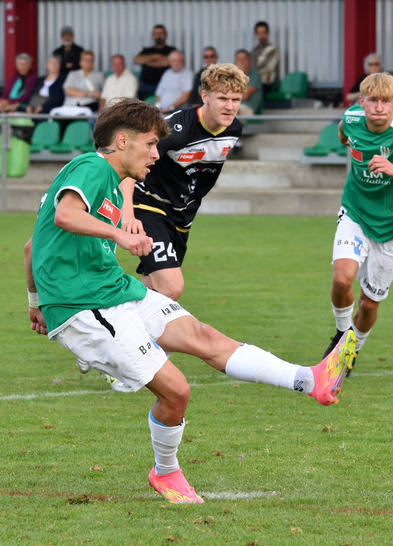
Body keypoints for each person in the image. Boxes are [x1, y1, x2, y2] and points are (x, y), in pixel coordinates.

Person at [24, 99, 357, 504]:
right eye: (149, 145)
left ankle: (311, 380)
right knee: (177, 392)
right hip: (85, 307)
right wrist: (121, 236)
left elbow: (31, 246)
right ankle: (165, 472)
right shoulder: (92, 167)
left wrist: (34, 302)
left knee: (204, 336)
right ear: (122, 140)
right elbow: (65, 216)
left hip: (115, 290)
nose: (155, 154)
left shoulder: (108, 179)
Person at [324, 72, 393, 357]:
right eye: (372, 100)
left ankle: (353, 350)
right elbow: (343, 131)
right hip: (356, 213)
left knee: (368, 304)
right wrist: (347, 142)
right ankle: (341, 336)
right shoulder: (351, 119)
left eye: (385, 101)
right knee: (341, 278)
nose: (378, 107)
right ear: (361, 102)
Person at [121, 64, 245, 300]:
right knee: (171, 286)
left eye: (236, 99)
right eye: (222, 98)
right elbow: (129, 165)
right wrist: (127, 214)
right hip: (149, 203)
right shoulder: (174, 129)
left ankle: (127, 331)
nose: (230, 107)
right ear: (205, 95)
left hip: (182, 216)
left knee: (154, 290)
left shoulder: (234, 128)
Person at [134, 24, 176, 97]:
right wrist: (156, 56)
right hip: (144, 85)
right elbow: (137, 60)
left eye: (161, 33)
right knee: (135, 103)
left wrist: (146, 61)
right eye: (156, 33)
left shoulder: (171, 50)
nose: (158, 36)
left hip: (163, 85)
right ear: (153, 36)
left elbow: (166, 62)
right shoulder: (146, 50)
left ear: (165, 35)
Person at [250, 21, 280, 93]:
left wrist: (251, 73)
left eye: (264, 33)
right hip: (252, 82)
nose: (261, 36)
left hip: (265, 84)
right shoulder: (253, 51)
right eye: (259, 33)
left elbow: (268, 68)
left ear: (268, 33)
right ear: (256, 34)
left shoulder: (272, 49)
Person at [234, 49, 263, 115]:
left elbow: (244, 95)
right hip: (232, 105)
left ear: (249, 61)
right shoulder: (232, 75)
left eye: (244, 59)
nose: (241, 62)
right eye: (239, 59)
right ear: (235, 62)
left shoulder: (255, 75)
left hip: (247, 108)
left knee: (231, 110)